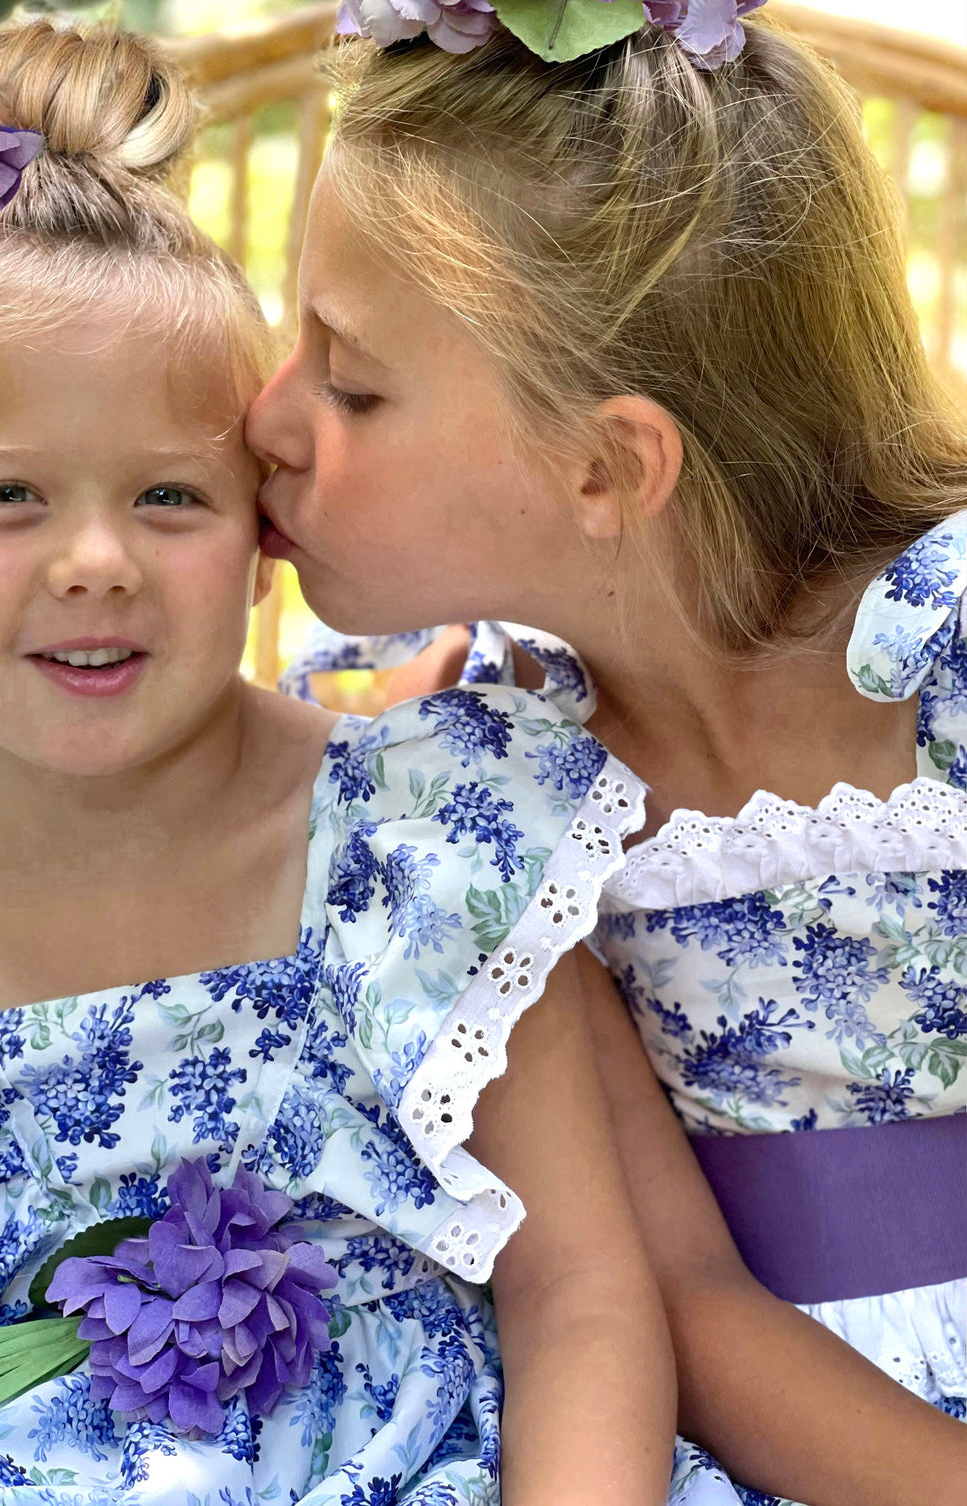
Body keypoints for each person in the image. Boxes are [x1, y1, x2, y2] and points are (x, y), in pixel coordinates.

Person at [0, 12, 706, 1505]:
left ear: (264, 534)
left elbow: (581, 1296)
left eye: (168, 495)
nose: (94, 562)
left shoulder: (415, 839)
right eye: (6, 495)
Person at [246, 4, 967, 1504]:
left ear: (608, 466)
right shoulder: (492, 771)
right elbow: (677, 1290)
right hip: (743, 1425)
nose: (266, 417)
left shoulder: (944, 663)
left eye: (351, 381)